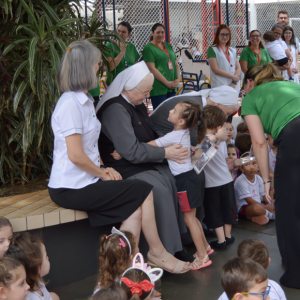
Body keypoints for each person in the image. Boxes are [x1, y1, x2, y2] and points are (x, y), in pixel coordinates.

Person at [48, 41, 189, 274]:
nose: (99, 68)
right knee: (141, 190)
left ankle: (128, 271)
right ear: (84, 68)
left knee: (133, 209)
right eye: (96, 64)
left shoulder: (83, 102)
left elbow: (90, 148)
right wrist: (102, 172)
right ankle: (157, 254)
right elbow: (75, 155)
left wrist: (102, 166)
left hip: (86, 180)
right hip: (70, 186)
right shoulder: (70, 104)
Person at [96, 61, 192, 268]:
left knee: (179, 178)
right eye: (144, 92)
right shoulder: (115, 109)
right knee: (159, 188)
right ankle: (167, 250)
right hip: (125, 168)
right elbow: (130, 150)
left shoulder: (135, 103)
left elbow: (149, 135)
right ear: (128, 88)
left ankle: (184, 237)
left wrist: (174, 147)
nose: (146, 96)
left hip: (144, 161)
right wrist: (165, 152)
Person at [242, 62, 300, 288]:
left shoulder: (251, 96)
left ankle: (296, 273)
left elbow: (258, 142)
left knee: (288, 208)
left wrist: (267, 180)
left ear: (249, 82)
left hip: (295, 137)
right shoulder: (291, 85)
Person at [145, 102, 212, 270]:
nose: (170, 110)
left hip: (184, 180)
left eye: (174, 111)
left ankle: (202, 257)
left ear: (181, 121)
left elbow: (150, 145)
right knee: (194, 218)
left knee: (189, 219)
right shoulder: (184, 132)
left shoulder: (173, 136)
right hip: (190, 178)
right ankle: (206, 248)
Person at [149, 85, 239, 146]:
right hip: (155, 143)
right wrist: (217, 137)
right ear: (217, 105)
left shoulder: (198, 102)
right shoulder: (195, 109)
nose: (226, 118)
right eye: (227, 114)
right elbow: (197, 147)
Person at [202, 106, 236, 250]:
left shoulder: (204, 141)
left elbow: (200, 160)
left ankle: (221, 241)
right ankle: (228, 236)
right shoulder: (222, 140)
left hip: (211, 184)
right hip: (226, 180)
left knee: (214, 211)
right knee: (228, 208)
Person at [218, 239, 287, 300]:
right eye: (262, 292)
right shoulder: (275, 287)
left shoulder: (224, 295)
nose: (268, 297)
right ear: (239, 298)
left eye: (266, 291)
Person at [5, 232, 59, 300]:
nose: (48, 258)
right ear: (36, 267)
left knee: (54, 296)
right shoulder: (27, 296)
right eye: (45, 256)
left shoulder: (38, 281)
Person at [142, 23, 180, 110]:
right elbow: (151, 68)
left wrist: (177, 79)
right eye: (158, 32)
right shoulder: (148, 48)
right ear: (152, 33)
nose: (160, 35)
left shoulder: (168, 46)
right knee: (161, 115)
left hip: (172, 87)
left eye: (162, 32)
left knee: (172, 113)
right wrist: (167, 83)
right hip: (159, 88)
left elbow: (176, 64)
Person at [234, 156, 275, 225]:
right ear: (242, 169)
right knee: (256, 208)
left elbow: (264, 196)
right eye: (247, 165)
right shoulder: (241, 181)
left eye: (254, 164)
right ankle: (273, 216)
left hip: (260, 204)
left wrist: (269, 204)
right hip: (246, 207)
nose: (252, 167)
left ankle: (257, 217)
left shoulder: (259, 178)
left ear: (258, 166)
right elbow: (250, 201)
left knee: (277, 203)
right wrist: (266, 208)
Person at [207, 24, 241, 92]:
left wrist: (234, 82)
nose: (225, 37)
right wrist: (232, 77)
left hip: (233, 86)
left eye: (227, 34)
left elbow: (238, 68)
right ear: (218, 35)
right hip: (220, 86)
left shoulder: (232, 50)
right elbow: (215, 70)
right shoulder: (212, 49)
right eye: (222, 34)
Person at [105, 22, 140, 86]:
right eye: (119, 31)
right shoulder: (110, 45)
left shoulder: (131, 47)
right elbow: (110, 67)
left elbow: (136, 67)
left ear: (129, 34)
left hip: (129, 84)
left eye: (123, 32)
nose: (120, 34)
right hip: (114, 84)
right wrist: (122, 51)